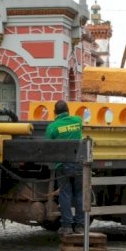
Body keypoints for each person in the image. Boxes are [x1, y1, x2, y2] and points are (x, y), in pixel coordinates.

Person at [45, 100, 85, 236]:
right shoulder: (78, 120)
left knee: (65, 194)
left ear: (55, 113)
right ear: (68, 110)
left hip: (62, 166)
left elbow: (48, 146)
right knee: (80, 194)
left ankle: (67, 226)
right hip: (78, 163)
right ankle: (80, 226)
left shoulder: (53, 127)